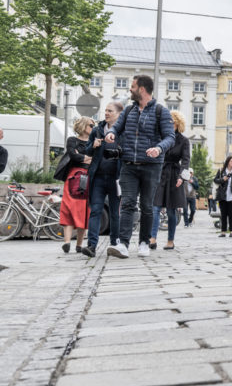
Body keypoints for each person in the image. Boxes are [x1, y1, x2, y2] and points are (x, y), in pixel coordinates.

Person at [104, 75, 175, 259]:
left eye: (133, 86)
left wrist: (159, 148)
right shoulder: (129, 111)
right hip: (129, 165)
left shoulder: (161, 111)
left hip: (152, 166)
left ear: (142, 89)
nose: (130, 89)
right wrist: (111, 133)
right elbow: (117, 127)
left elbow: (170, 137)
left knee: (146, 206)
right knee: (127, 204)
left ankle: (144, 242)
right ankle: (123, 244)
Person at [81, 102, 124, 258]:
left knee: (114, 212)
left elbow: (127, 151)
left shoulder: (123, 131)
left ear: (119, 114)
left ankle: (114, 244)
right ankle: (91, 246)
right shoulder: (98, 129)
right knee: (95, 211)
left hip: (116, 178)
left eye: (110, 111)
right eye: (105, 110)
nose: (106, 113)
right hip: (98, 177)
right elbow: (86, 150)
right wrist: (93, 145)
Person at [150, 111, 191, 251]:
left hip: (174, 175)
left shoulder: (184, 141)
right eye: (167, 123)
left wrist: (182, 178)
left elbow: (186, 161)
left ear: (178, 124)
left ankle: (170, 240)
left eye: (172, 122)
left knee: (171, 210)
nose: (169, 125)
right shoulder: (160, 138)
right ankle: (152, 238)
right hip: (160, 173)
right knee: (155, 207)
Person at [60, 117, 94, 254]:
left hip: (88, 176)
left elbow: (95, 158)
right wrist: (87, 158)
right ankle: (67, 242)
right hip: (75, 175)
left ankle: (79, 244)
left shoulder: (94, 142)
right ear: (83, 126)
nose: (93, 127)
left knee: (84, 210)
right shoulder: (72, 140)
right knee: (68, 207)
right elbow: (73, 156)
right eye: (91, 125)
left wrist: (82, 156)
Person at [214, 157, 232, 237]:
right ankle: (223, 232)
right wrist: (222, 179)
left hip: (231, 196)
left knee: (231, 215)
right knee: (223, 214)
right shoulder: (221, 171)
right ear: (228, 162)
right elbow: (215, 180)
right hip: (222, 196)